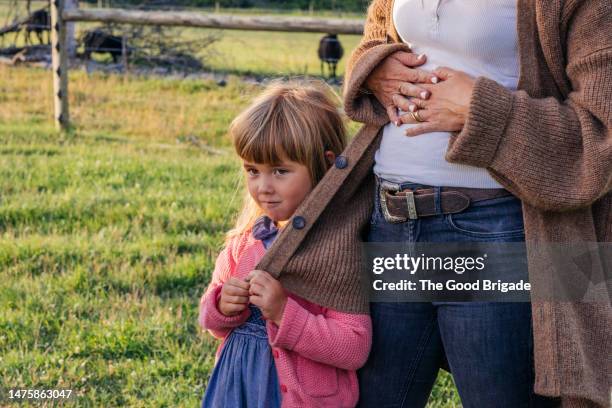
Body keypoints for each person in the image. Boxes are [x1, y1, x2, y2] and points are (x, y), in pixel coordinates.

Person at [339, 0, 611, 407]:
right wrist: (376, 68)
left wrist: (481, 112)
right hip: (391, 220)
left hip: (497, 229)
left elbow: (601, 133)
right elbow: (378, 39)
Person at [198, 81, 372, 408]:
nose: (263, 187)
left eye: (280, 171)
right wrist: (222, 306)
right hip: (237, 391)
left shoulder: (336, 251)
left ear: (326, 165)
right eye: (252, 170)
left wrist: (283, 312)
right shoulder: (244, 242)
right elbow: (211, 322)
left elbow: (353, 347)